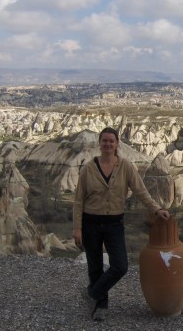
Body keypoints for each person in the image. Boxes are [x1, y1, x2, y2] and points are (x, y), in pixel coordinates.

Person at [72, 127, 170, 321]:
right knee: (95, 267)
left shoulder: (125, 166)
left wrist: (156, 209)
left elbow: (141, 192)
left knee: (120, 265)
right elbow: (78, 201)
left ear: (117, 144)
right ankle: (101, 306)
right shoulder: (88, 168)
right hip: (90, 222)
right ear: (99, 143)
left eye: (111, 141)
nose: (108, 144)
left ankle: (92, 293)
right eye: (104, 140)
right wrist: (77, 228)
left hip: (114, 223)